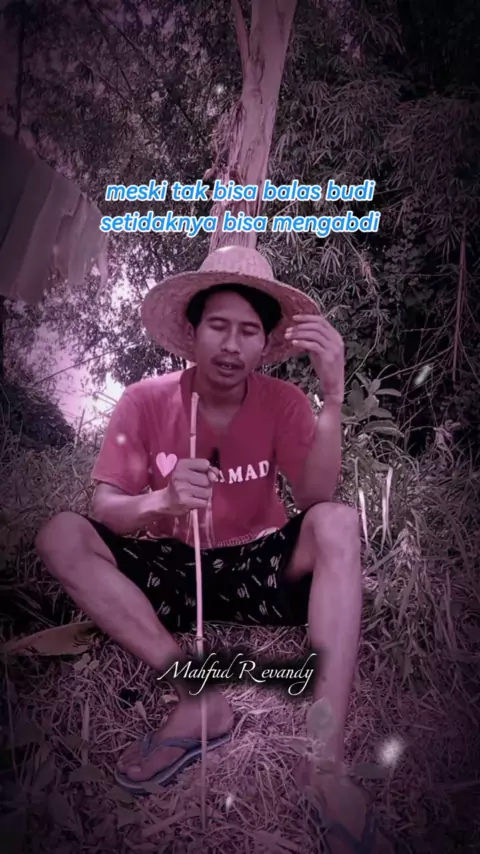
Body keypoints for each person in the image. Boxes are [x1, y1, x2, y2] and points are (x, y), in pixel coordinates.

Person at [36, 246, 395, 854]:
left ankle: (324, 763)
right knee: (59, 535)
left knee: (337, 523)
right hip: (173, 567)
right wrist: (161, 501)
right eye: (218, 326)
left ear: (265, 342)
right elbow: (106, 508)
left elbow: (315, 498)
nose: (231, 345)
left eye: (248, 331)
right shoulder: (145, 400)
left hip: (258, 567)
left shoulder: (282, 401)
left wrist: (333, 399)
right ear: (193, 331)